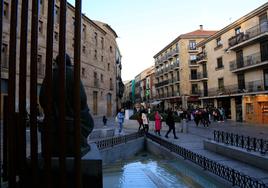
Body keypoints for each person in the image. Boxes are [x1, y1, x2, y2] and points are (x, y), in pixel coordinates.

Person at [39, 54, 94, 157]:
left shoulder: (49, 75)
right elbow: (81, 99)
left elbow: (42, 98)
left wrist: (51, 111)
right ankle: (79, 145)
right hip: (71, 115)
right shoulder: (72, 74)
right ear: (69, 62)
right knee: (89, 122)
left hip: (53, 117)